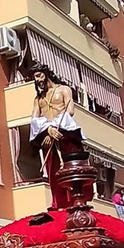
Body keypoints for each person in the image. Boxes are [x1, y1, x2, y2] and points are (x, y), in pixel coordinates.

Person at [28, 66, 84, 208]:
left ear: (46, 74)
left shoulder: (64, 90)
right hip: (48, 136)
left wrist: (55, 128)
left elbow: (69, 111)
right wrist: (48, 130)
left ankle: (75, 200)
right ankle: (58, 202)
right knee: (53, 172)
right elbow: (34, 119)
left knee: (71, 169)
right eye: (35, 77)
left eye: (39, 76)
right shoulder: (38, 99)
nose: (38, 80)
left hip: (64, 133)